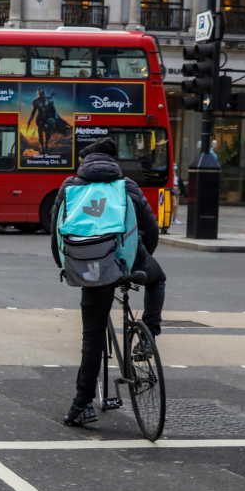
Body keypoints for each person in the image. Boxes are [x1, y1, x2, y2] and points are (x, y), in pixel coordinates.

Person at [52, 137, 166, 428]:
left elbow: (55, 233)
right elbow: (150, 228)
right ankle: (149, 333)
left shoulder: (70, 186)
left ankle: (82, 406)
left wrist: (66, 266)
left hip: (89, 267)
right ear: (115, 161)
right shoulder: (126, 186)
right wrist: (139, 259)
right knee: (158, 278)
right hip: (125, 262)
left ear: (85, 162)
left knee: (92, 339)